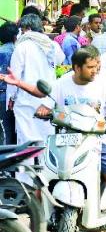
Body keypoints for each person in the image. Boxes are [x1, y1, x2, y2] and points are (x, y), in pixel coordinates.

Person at [1, 47, 106, 232]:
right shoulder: (63, 84)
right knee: (40, 181)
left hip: (99, 141)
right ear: (76, 67)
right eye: (90, 67)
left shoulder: (103, 84)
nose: (95, 71)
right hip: (66, 141)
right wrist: (27, 92)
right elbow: (43, 93)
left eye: (97, 67)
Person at [6, 14, 64, 144]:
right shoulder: (52, 45)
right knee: (46, 141)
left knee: (26, 143)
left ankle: (27, 165)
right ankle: (45, 165)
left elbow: (14, 76)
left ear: (26, 28)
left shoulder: (22, 46)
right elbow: (60, 60)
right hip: (48, 100)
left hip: (26, 101)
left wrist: (11, 98)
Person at [0, 22, 18, 144]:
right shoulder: (18, 51)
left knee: (5, 130)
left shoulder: (1, 51)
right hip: (17, 94)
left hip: (2, 94)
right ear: (15, 36)